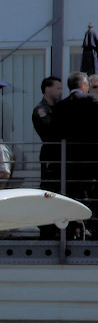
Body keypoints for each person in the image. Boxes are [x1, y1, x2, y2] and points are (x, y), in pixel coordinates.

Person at [54, 72, 98, 237]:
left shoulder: (60, 105)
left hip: (69, 157)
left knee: (72, 193)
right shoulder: (92, 100)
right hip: (91, 156)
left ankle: (74, 227)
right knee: (91, 192)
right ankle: (89, 227)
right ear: (83, 85)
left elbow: (56, 131)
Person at [32, 76, 64, 238]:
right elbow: (51, 131)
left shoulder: (59, 107)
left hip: (62, 155)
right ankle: (46, 227)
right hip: (51, 154)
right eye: (58, 88)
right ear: (47, 89)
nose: (60, 91)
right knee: (49, 189)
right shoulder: (41, 109)